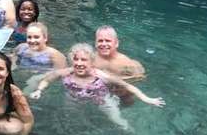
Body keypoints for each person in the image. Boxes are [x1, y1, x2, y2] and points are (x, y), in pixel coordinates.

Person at [30, 43, 163, 130]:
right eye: (76, 59)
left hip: (101, 99)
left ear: (92, 62)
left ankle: (130, 132)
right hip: (73, 99)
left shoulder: (101, 76)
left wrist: (147, 99)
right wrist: (39, 90)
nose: (79, 63)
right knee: (70, 120)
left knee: (118, 121)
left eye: (84, 60)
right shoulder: (66, 73)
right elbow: (47, 80)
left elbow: (128, 86)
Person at [93, 25, 146, 106]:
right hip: (101, 92)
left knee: (128, 103)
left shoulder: (125, 62)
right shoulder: (92, 58)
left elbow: (141, 77)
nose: (104, 44)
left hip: (122, 94)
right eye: (100, 41)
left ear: (116, 43)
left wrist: (113, 79)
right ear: (95, 43)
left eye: (107, 41)